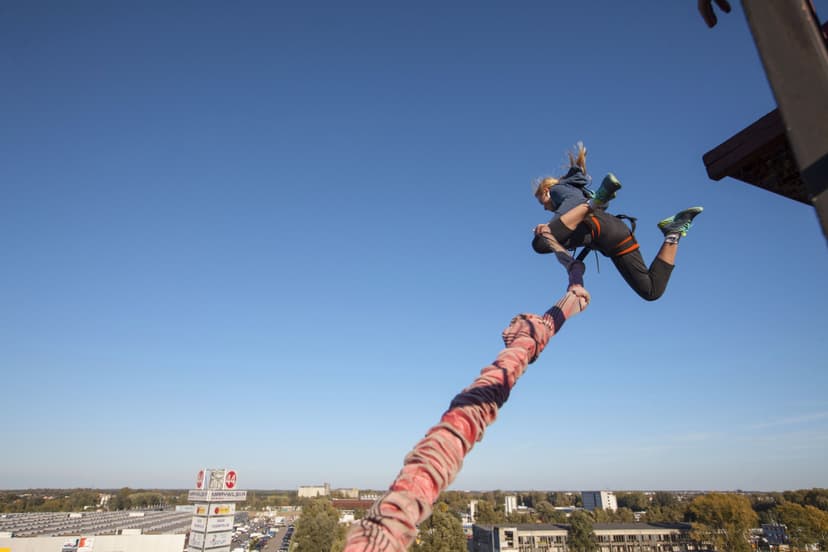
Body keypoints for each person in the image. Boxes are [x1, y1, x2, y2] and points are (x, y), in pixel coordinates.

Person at [531, 142, 702, 301]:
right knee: (651, 291)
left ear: (546, 191)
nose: (545, 208)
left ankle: (593, 203)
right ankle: (673, 233)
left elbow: (572, 202)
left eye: (542, 203)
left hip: (601, 227)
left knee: (540, 242)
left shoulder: (557, 189)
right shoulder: (575, 191)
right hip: (617, 236)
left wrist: (550, 225)